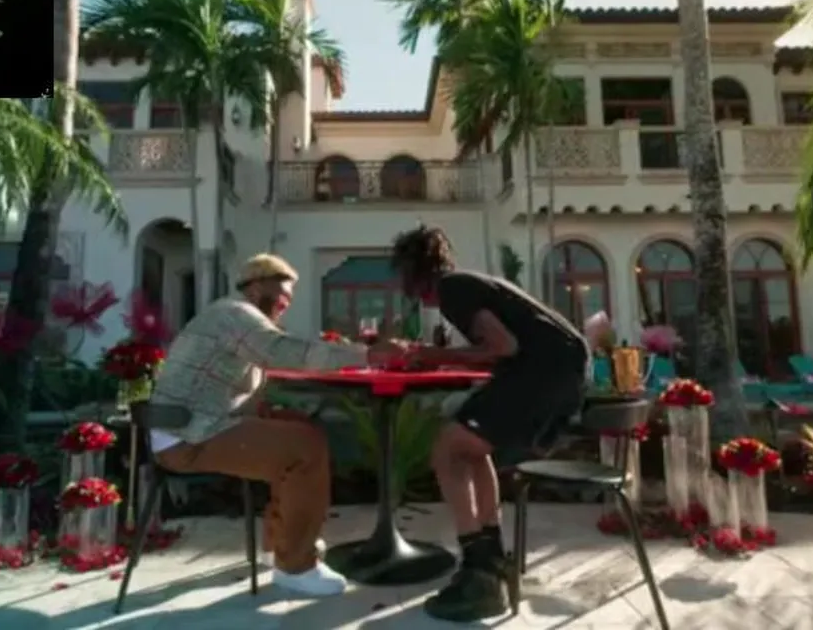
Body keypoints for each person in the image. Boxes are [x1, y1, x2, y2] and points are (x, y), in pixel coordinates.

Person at [150, 253, 407, 596]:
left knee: (300, 427)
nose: (287, 302)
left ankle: (279, 546)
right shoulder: (236, 314)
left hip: (195, 425)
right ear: (256, 288)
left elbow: (252, 374)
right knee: (305, 448)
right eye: (282, 294)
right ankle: (296, 566)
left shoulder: (231, 315)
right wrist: (368, 355)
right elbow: (281, 352)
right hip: (188, 435)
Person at [390, 226, 590, 622]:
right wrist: (441, 357)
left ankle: (479, 570)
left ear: (413, 271)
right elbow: (504, 346)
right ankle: (491, 557)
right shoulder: (468, 284)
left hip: (545, 372)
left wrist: (431, 356)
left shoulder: (452, 288)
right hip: (560, 368)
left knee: (447, 450)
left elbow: (503, 347)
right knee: (470, 448)